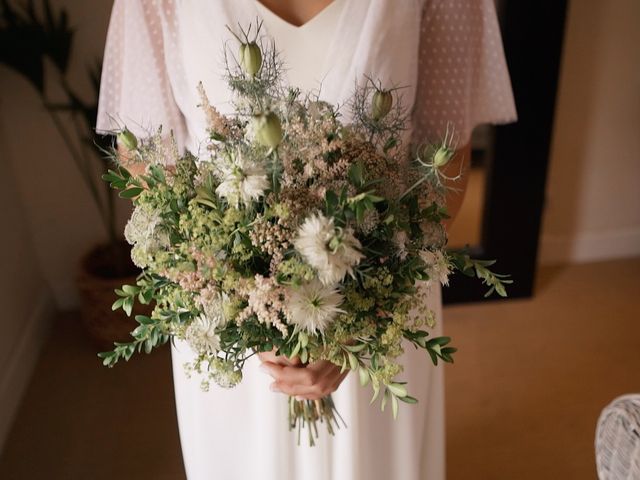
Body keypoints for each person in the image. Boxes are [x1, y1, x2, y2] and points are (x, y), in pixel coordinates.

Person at [96, 1, 517, 478]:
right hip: (225, 314)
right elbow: (149, 158)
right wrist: (245, 308)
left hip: (383, 303)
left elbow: (447, 147)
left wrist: (358, 323)